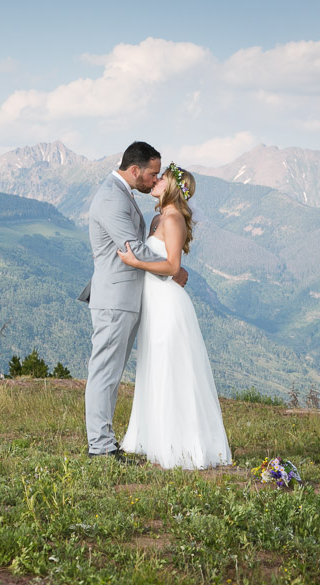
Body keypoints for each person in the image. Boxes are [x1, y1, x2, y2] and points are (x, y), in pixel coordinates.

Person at [116, 163, 232, 469]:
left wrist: (135, 263)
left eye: (161, 178)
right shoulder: (158, 218)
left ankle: (183, 445)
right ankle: (153, 437)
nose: (155, 181)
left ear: (172, 187)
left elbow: (171, 266)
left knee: (172, 369)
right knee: (154, 366)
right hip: (153, 302)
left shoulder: (173, 218)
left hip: (168, 304)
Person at [78, 141, 188, 460]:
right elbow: (133, 250)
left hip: (124, 297)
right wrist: (173, 269)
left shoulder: (120, 193)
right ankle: (101, 447)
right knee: (105, 372)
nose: (154, 180)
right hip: (115, 299)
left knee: (110, 373)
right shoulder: (112, 198)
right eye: (153, 174)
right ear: (135, 170)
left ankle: (105, 442)